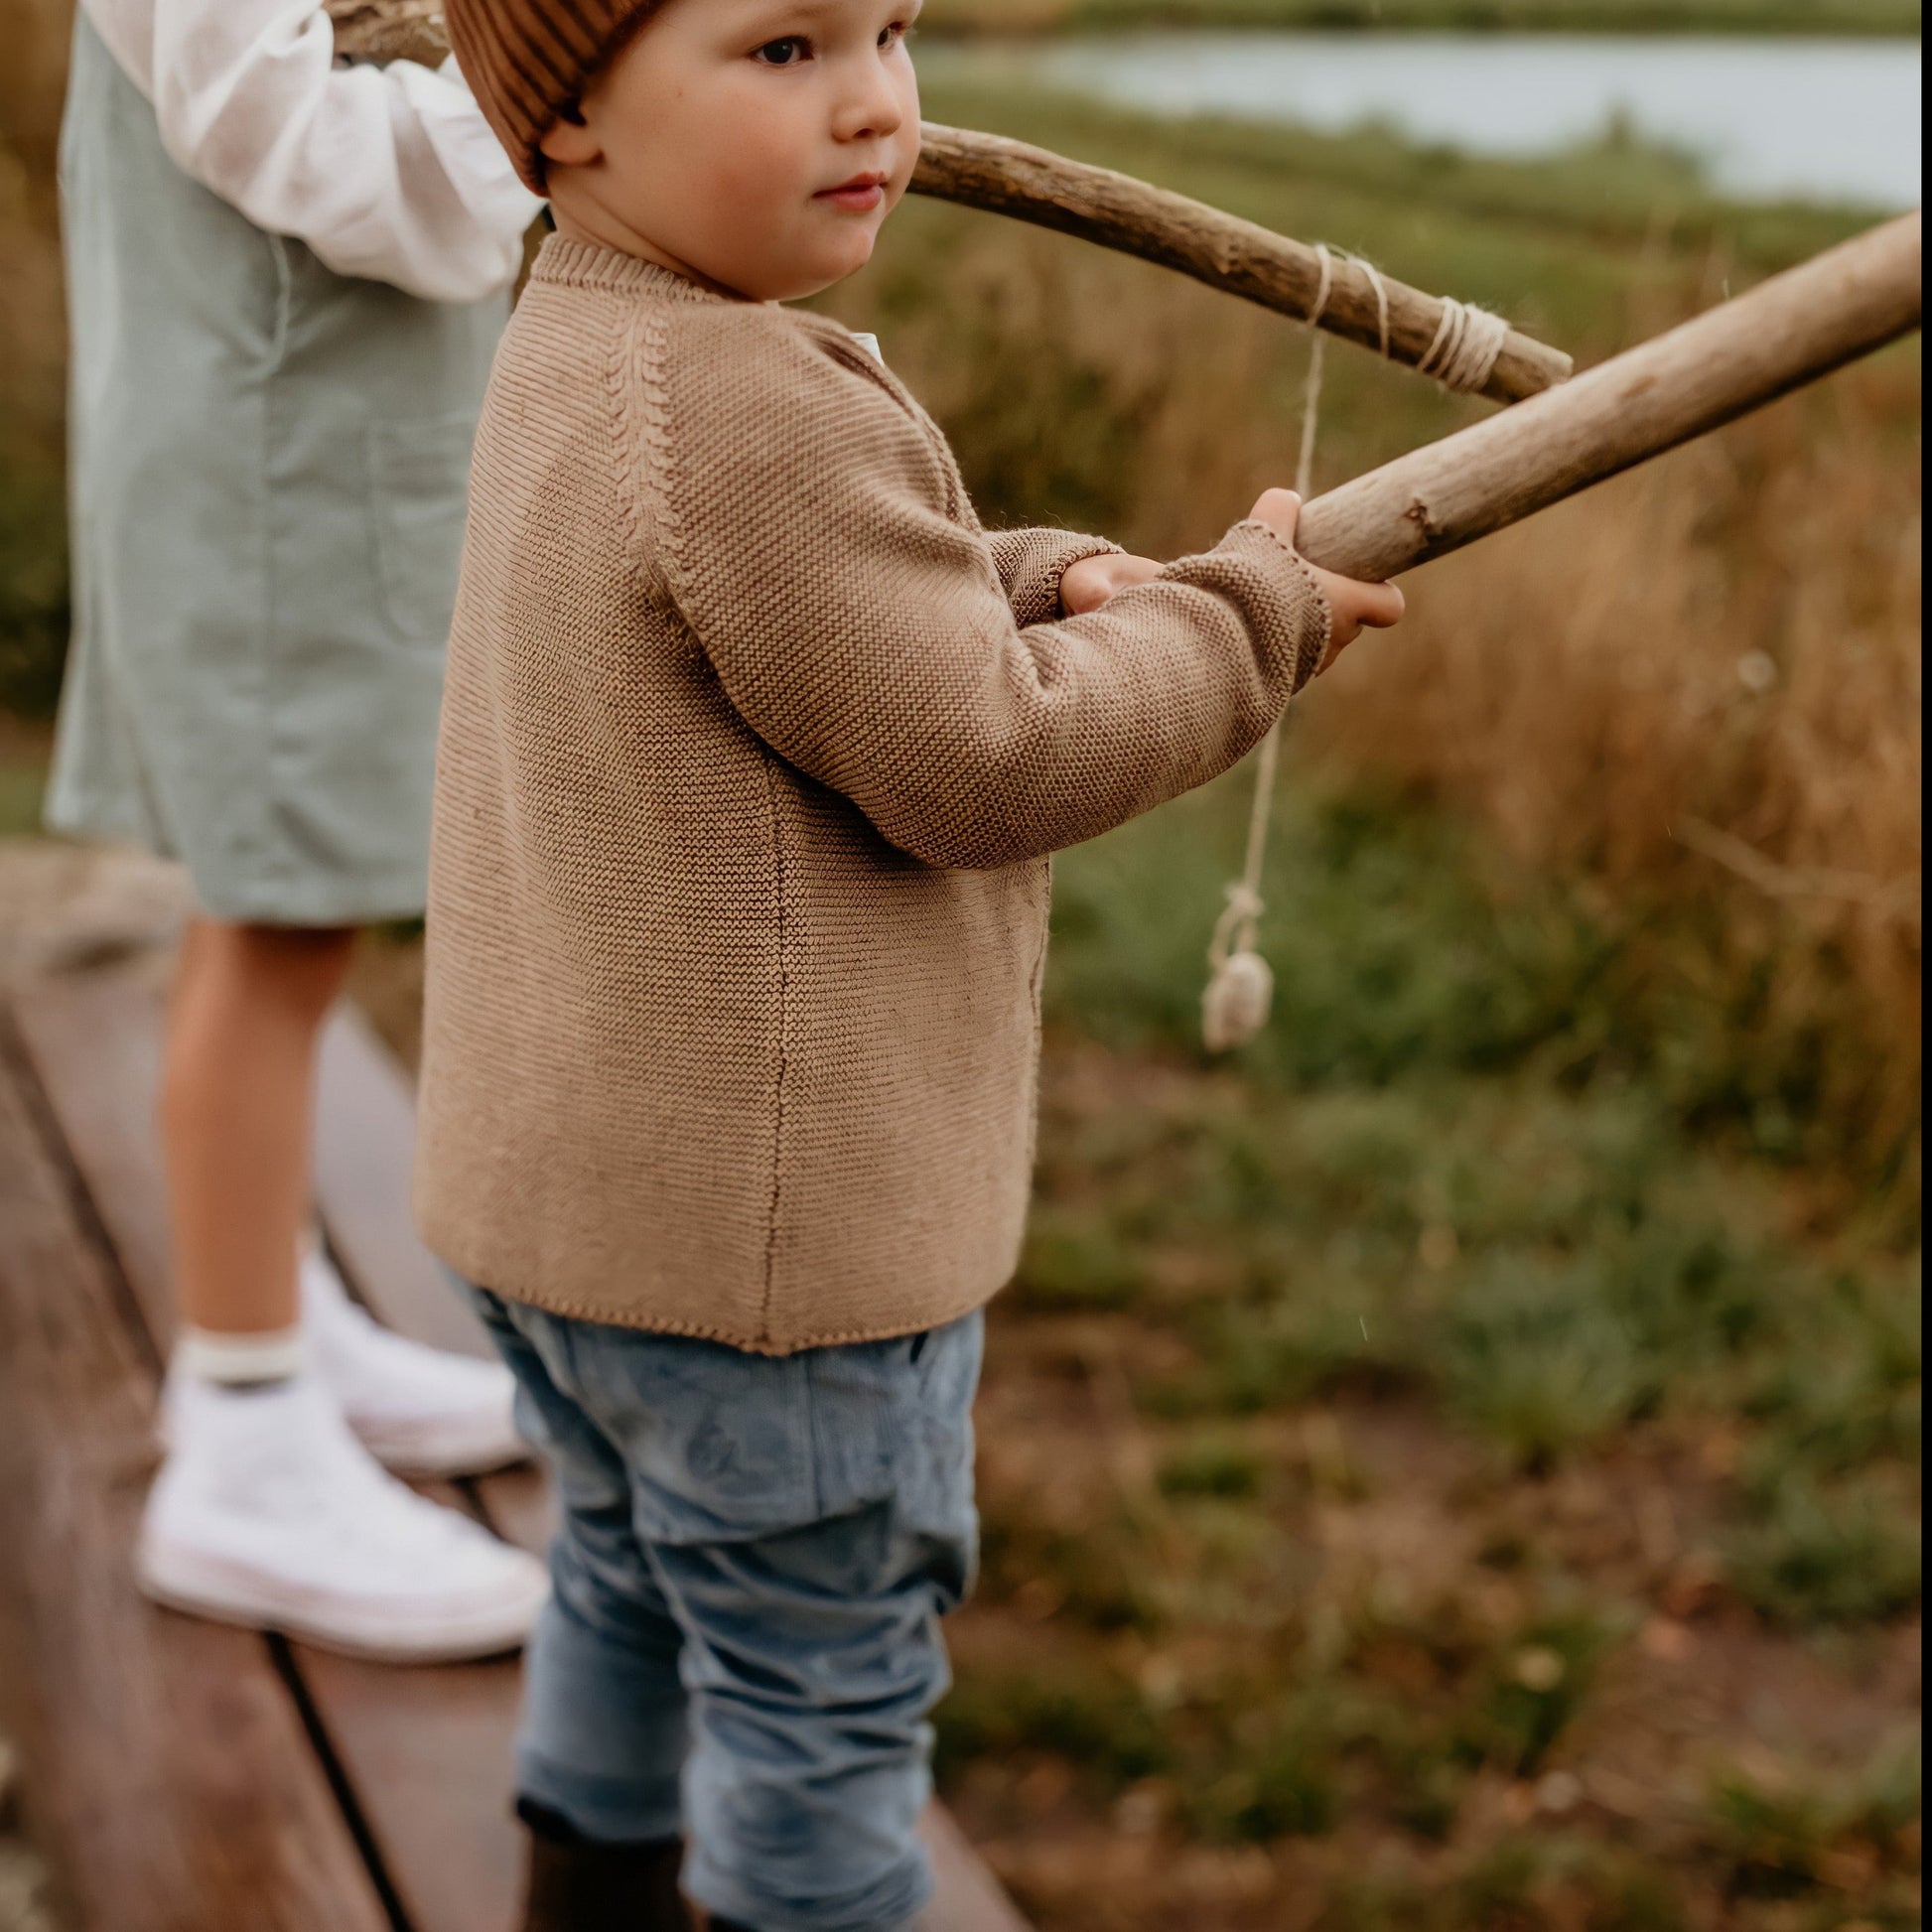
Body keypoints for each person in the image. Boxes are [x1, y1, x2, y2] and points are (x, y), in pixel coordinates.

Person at [423, 0, 1405, 1921]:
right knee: (819, 1698)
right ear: (570, 123)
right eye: (781, 47)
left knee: (626, 1580)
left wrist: (1044, 578)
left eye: (888, 25)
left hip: (571, 1223)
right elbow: (990, 751)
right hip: (765, 1271)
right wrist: (1242, 622)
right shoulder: (749, 399)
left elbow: (801, 604)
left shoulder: (585, 330)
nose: (876, 94)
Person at [49, 0, 551, 1660]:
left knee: (277, 913)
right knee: (277, 922)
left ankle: (271, 1305)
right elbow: (285, 131)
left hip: (320, 431)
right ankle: (244, 1431)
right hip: (275, 451)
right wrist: (538, 124)